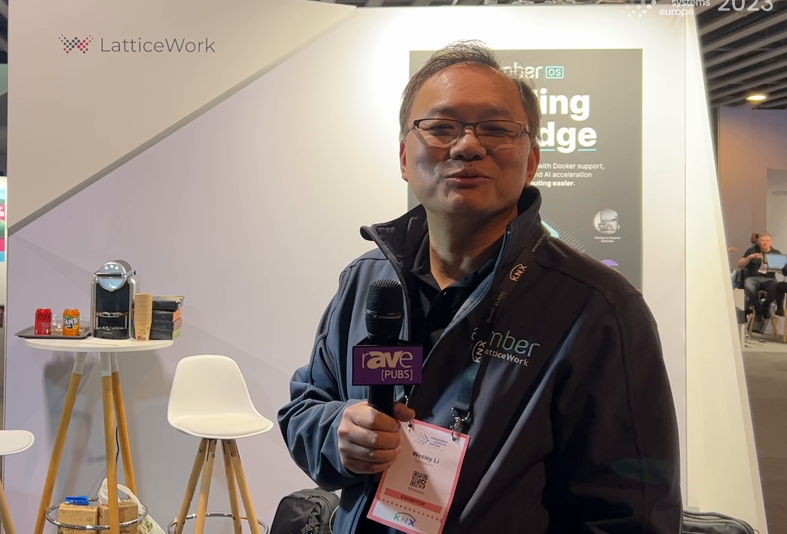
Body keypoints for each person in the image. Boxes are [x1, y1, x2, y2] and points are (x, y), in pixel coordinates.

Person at [278, 41, 680, 533]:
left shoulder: (598, 308)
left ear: (531, 162)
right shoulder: (366, 280)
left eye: (495, 128)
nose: (467, 146)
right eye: (441, 127)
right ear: (404, 157)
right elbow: (305, 407)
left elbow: (630, 513)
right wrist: (337, 433)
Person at [737, 233, 783, 328]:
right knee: (749, 287)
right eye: (762, 241)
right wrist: (749, 257)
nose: (765, 243)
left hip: (769, 278)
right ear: (759, 242)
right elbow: (740, 265)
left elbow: (782, 268)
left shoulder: (776, 253)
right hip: (753, 277)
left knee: (776, 288)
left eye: (767, 241)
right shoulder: (752, 250)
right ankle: (759, 310)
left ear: (771, 242)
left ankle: (766, 305)